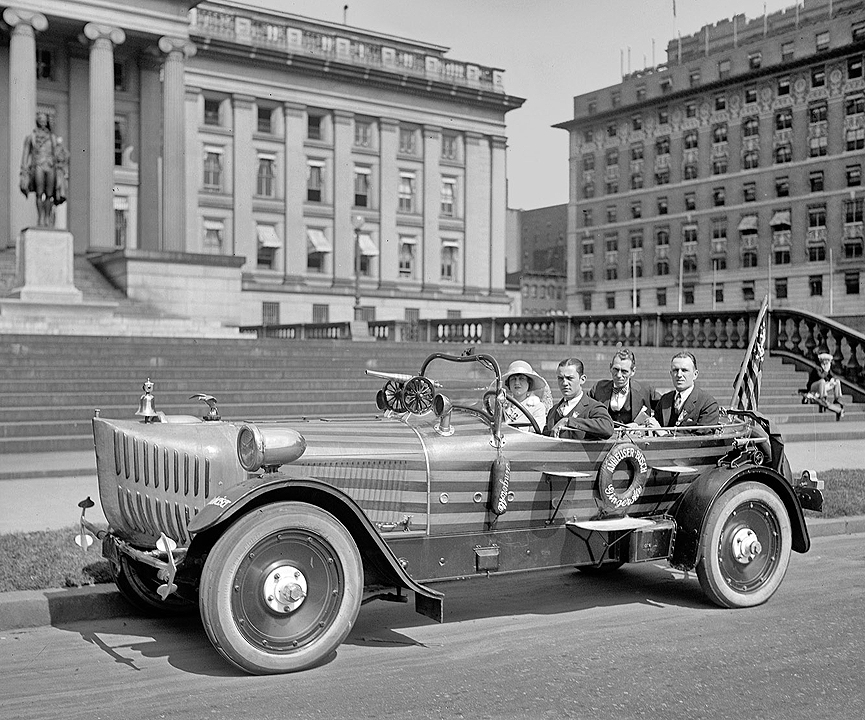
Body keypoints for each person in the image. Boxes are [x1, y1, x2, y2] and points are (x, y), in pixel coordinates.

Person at [646, 351, 719, 434]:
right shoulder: (665, 399)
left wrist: (663, 433)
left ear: (695, 374)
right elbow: (654, 425)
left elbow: (702, 439)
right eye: (675, 370)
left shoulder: (707, 404)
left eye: (684, 370)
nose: (679, 375)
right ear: (670, 374)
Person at [543, 357, 614, 440]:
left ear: (582, 379)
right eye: (560, 378)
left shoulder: (593, 407)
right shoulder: (553, 411)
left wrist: (568, 422)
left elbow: (607, 428)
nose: (564, 383)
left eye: (570, 378)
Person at [20, 111, 68, 227]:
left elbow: (62, 154)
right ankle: (40, 218)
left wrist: (61, 156)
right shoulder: (31, 137)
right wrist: (24, 171)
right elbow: (25, 155)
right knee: (39, 192)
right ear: (37, 121)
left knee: (50, 194)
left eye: (44, 119)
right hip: (38, 165)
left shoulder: (52, 138)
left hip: (50, 166)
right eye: (40, 119)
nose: (42, 121)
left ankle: (47, 218)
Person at [588, 348, 656, 427]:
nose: (619, 375)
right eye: (616, 369)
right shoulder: (598, 388)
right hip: (604, 437)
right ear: (610, 367)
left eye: (624, 371)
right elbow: (583, 406)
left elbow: (664, 408)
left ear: (633, 371)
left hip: (634, 437)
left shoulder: (645, 390)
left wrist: (641, 424)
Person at [500, 360, 552, 430]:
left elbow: (535, 433)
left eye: (521, 379)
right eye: (513, 379)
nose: (517, 383)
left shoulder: (537, 407)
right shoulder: (502, 406)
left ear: (529, 383)